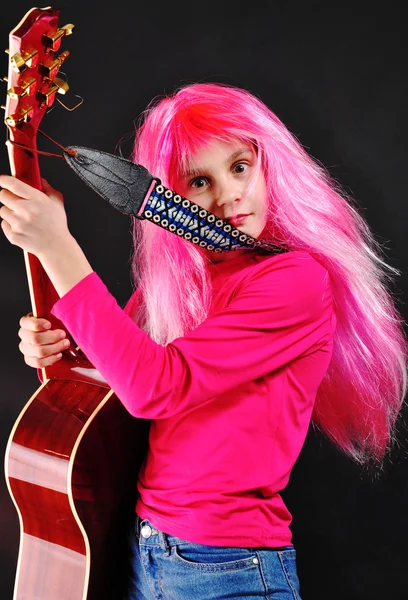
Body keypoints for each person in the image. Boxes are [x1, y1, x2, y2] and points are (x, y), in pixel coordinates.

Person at [1, 83, 407, 600]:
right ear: (168, 196)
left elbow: (154, 387)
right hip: (146, 549)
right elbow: (115, 377)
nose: (228, 194)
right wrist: (60, 347)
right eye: (199, 180)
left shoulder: (294, 283)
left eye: (240, 166)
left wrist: (57, 247)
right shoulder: (182, 285)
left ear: (269, 163)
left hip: (228, 568)